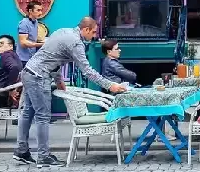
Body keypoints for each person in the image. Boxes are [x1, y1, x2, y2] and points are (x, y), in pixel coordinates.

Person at [14, 17, 126, 167]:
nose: (93, 36)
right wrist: (110, 85)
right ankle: (43, 157)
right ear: (85, 29)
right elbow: (87, 71)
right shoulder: (76, 43)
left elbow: (53, 58)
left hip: (28, 71)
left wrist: (59, 80)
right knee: (42, 117)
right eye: (93, 32)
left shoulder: (62, 31)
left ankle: (21, 151)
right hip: (39, 77)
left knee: (27, 113)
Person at [17, 1, 45, 67]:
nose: (40, 13)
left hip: (32, 58)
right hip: (23, 60)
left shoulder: (35, 22)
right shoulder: (24, 23)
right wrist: (41, 44)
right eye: (38, 10)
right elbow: (23, 43)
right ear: (30, 11)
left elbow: (33, 38)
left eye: (41, 10)